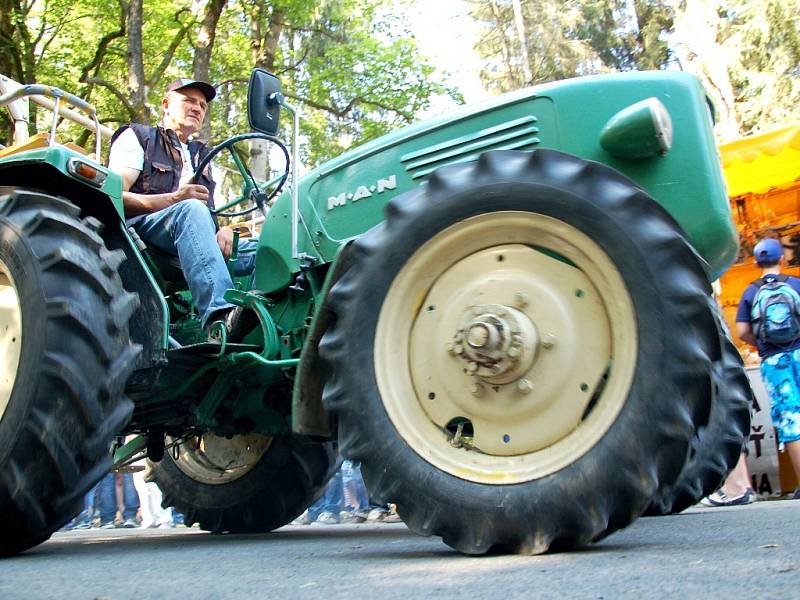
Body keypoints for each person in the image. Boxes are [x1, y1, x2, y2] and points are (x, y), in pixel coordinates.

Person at [108, 78, 256, 339]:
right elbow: (112, 196)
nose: (198, 108)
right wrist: (174, 200)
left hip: (193, 231)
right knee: (190, 210)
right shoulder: (139, 137)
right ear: (166, 104)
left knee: (267, 247)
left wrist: (221, 231)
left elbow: (206, 212)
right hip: (142, 231)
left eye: (202, 105)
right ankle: (220, 320)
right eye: (189, 100)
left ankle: (257, 321)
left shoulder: (201, 155)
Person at [736, 237, 800, 499]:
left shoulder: (751, 291)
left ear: (755, 262)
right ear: (781, 259)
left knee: (791, 420)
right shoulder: (795, 283)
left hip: (774, 361)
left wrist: (761, 343)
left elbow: (742, 331)